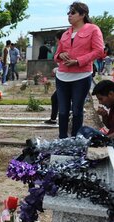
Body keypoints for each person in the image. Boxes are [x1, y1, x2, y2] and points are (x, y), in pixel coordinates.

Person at [54, 1, 104, 138]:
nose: (69, 15)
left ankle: (76, 140)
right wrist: (60, 55)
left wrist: (78, 61)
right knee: (63, 111)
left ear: (83, 15)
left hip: (81, 76)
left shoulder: (93, 29)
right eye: (68, 13)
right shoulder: (65, 33)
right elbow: (56, 55)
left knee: (77, 110)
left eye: (73, 13)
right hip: (62, 76)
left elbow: (99, 51)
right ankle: (62, 139)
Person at [44, 29, 65, 125]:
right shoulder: (61, 48)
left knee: (57, 98)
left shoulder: (66, 48)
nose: (56, 42)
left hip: (68, 79)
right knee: (56, 98)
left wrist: (57, 70)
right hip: (63, 78)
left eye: (57, 40)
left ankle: (58, 119)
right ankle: (53, 119)